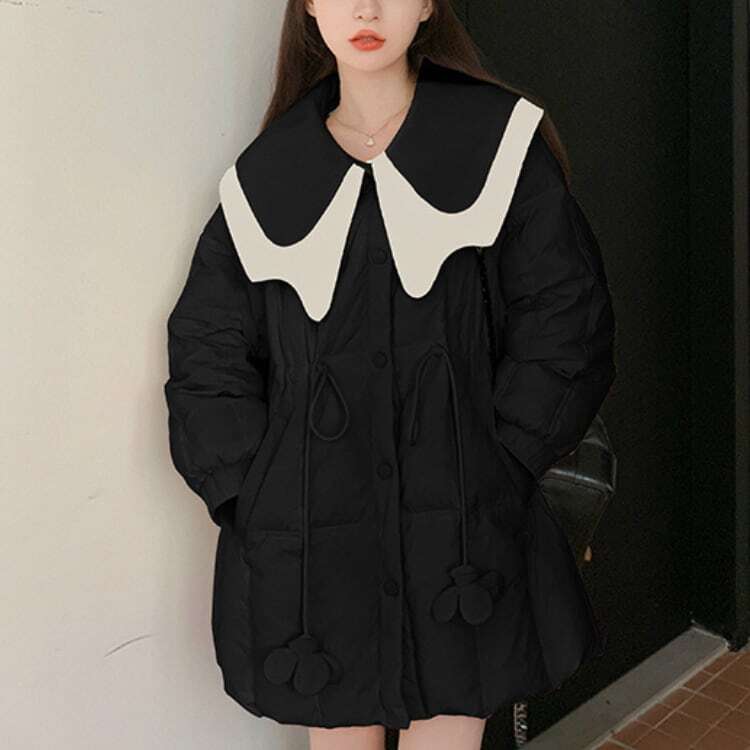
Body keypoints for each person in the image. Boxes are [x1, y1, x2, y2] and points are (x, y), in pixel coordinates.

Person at [162, 1, 618, 748]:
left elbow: (567, 317)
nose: (367, 9)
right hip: (316, 551)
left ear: (428, 4)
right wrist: (255, 494)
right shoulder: (265, 178)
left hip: (464, 538)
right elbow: (205, 354)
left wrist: (503, 458)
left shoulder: (497, 143)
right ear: (310, 6)